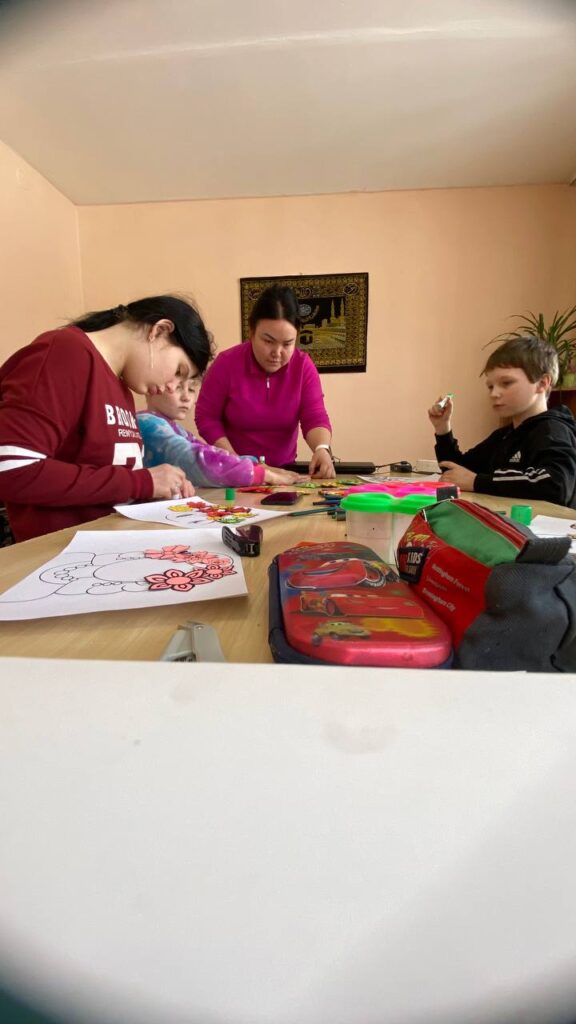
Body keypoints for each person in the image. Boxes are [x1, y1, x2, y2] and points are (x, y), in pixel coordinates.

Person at [0, 295, 212, 541]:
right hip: (58, 554)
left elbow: (105, 484)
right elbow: (11, 468)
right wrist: (141, 483)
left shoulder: (122, 389)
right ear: (159, 330)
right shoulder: (66, 352)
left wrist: (156, 491)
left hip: (113, 547)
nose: (171, 387)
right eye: (178, 371)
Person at [194, 285, 336, 478]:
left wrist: (321, 448)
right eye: (268, 341)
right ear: (251, 333)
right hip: (235, 471)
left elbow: (315, 416)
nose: (277, 353)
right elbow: (206, 417)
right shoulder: (226, 363)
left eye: (287, 344)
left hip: (283, 472)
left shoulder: (303, 366)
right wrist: (236, 462)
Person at [427, 335, 576, 508]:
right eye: (490, 386)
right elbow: (455, 472)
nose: (494, 393)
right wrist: (442, 428)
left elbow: (556, 485)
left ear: (542, 383)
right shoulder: (505, 435)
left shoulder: (553, 429)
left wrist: (477, 481)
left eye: (506, 383)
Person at [137, 378, 300, 487]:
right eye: (178, 387)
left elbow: (211, 452)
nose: (187, 397)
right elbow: (197, 460)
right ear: (152, 387)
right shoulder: (148, 424)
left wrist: (256, 465)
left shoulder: (174, 427)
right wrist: (263, 475)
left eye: (192, 389)